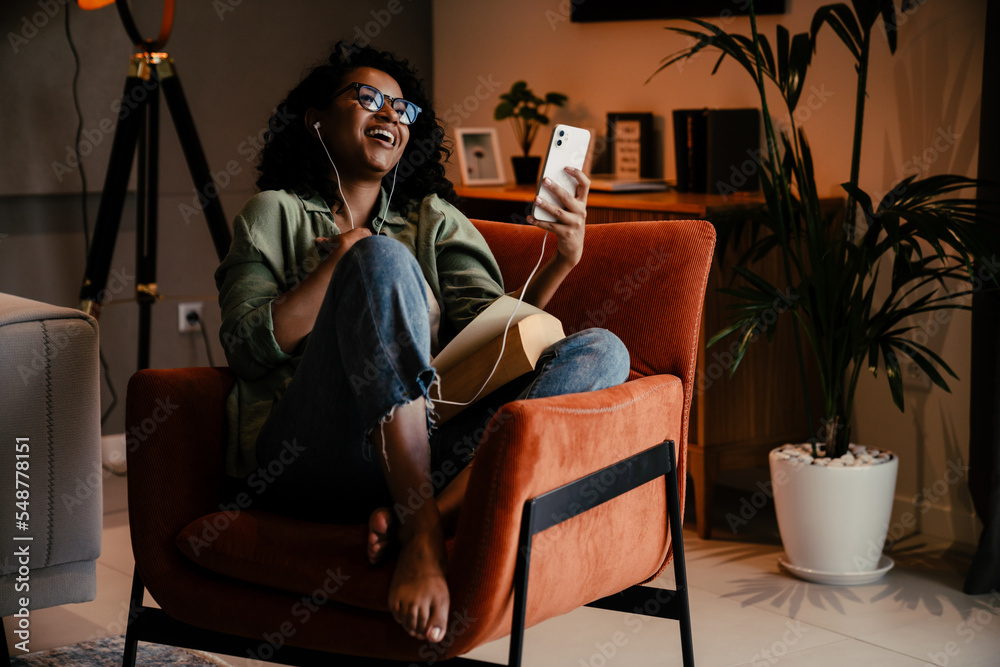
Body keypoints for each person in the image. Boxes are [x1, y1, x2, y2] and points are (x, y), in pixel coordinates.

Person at [214, 42, 630, 645]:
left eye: (403, 109)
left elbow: (498, 349)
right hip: (311, 453)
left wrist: (561, 262)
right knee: (381, 258)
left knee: (603, 352)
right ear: (316, 119)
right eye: (368, 99)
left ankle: (423, 512)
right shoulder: (273, 214)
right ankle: (426, 533)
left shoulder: (433, 219)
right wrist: (350, 264)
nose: (390, 115)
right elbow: (246, 347)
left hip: (429, 447)